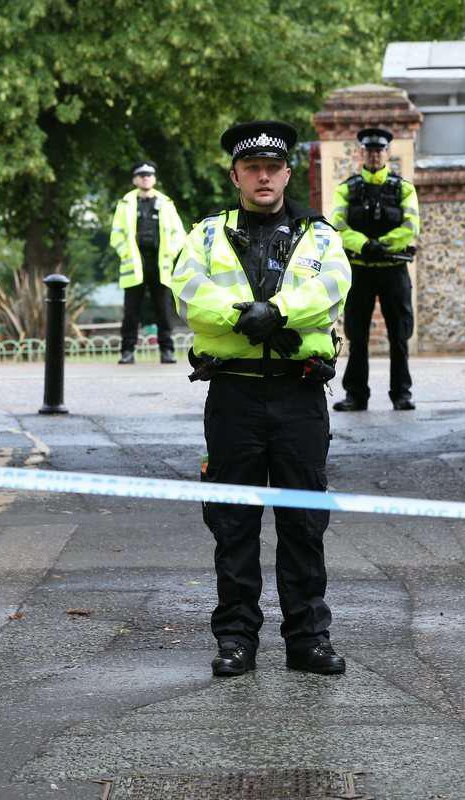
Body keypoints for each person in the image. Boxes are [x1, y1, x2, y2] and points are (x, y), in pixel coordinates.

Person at [167, 121, 352, 677]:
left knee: (303, 522)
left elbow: (331, 289)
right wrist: (238, 316)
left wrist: (277, 313)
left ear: (288, 174)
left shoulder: (320, 236)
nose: (263, 176)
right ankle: (236, 639)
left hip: (299, 395)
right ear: (236, 176)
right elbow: (188, 289)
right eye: (252, 168)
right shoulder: (204, 235)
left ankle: (308, 639)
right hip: (234, 395)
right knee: (233, 521)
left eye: (273, 167)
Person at [329, 127, 421, 411]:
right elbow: (339, 226)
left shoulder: (403, 188)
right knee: (357, 336)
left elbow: (411, 226)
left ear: (387, 153)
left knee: (399, 335)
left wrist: (384, 244)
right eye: (369, 151)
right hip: (360, 270)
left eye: (379, 150)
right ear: (362, 154)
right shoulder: (347, 188)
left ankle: (402, 394)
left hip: (394, 270)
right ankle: (356, 395)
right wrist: (365, 245)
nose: (374, 155)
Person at [109, 160, 187, 364]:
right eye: (141, 175)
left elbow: (179, 234)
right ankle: (127, 352)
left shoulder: (166, 203)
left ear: (154, 178)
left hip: (160, 263)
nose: (145, 178)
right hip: (134, 263)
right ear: (135, 179)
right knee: (131, 311)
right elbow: (116, 236)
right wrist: (126, 254)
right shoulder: (125, 204)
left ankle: (167, 351)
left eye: (149, 174)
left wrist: (170, 253)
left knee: (163, 309)